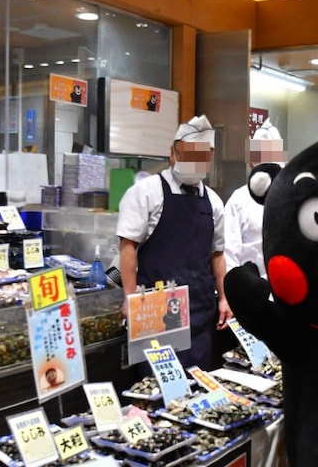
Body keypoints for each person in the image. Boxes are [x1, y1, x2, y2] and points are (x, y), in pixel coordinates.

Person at [116, 114, 233, 370]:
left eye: (202, 157)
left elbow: (218, 254)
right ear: (173, 153)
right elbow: (128, 247)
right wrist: (129, 297)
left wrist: (224, 297)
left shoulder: (213, 201)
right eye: (189, 155)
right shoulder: (146, 192)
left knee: (197, 382)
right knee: (156, 388)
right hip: (156, 310)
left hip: (200, 310)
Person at [224, 119, 287, 277]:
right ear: (251, 161)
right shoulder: (239, 200)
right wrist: (231, 292)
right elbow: (229, 251)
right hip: (250, 289)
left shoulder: (291, 196)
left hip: (287, 287)